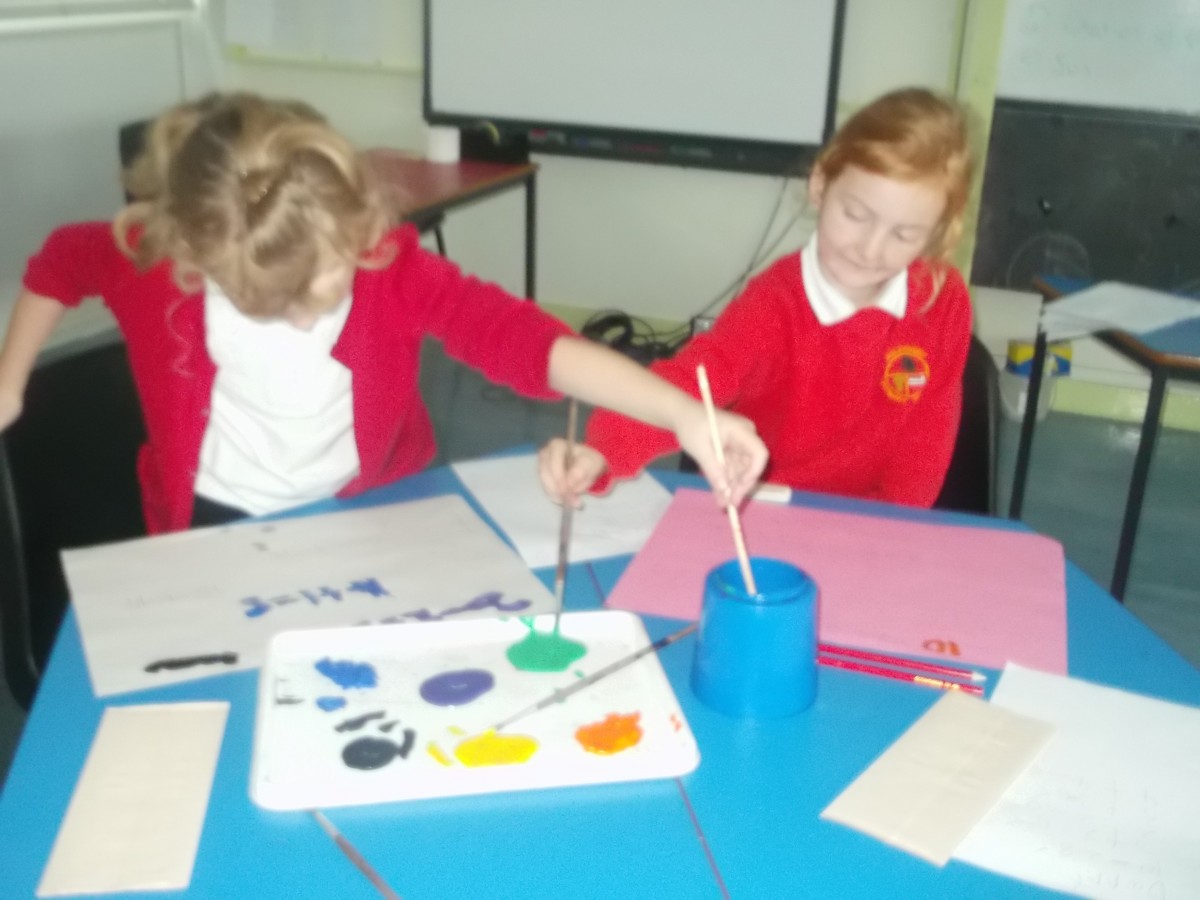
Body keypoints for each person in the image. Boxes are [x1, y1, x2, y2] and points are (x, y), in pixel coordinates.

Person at [0, 92, 766, 534]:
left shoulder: (383, 262)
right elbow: (58, 265)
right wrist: (10, 379)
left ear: (359, 222)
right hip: (213, 513)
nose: (309, 321)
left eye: (326, 283)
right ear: (198, 257)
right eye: (278, 305)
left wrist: (680, 414)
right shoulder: (156, 258)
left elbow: (527, 344)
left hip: (369, 504)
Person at [540, 87, 973, 509]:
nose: (870, 249)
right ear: (820, 185)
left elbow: (926, 442)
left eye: (904, 235)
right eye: (856, 215)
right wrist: (603, 453)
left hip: (874, 522)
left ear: (936, 232)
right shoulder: (773, 305)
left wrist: (892, 526)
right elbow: (688, 385)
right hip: (769, 508)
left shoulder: (943, 302)